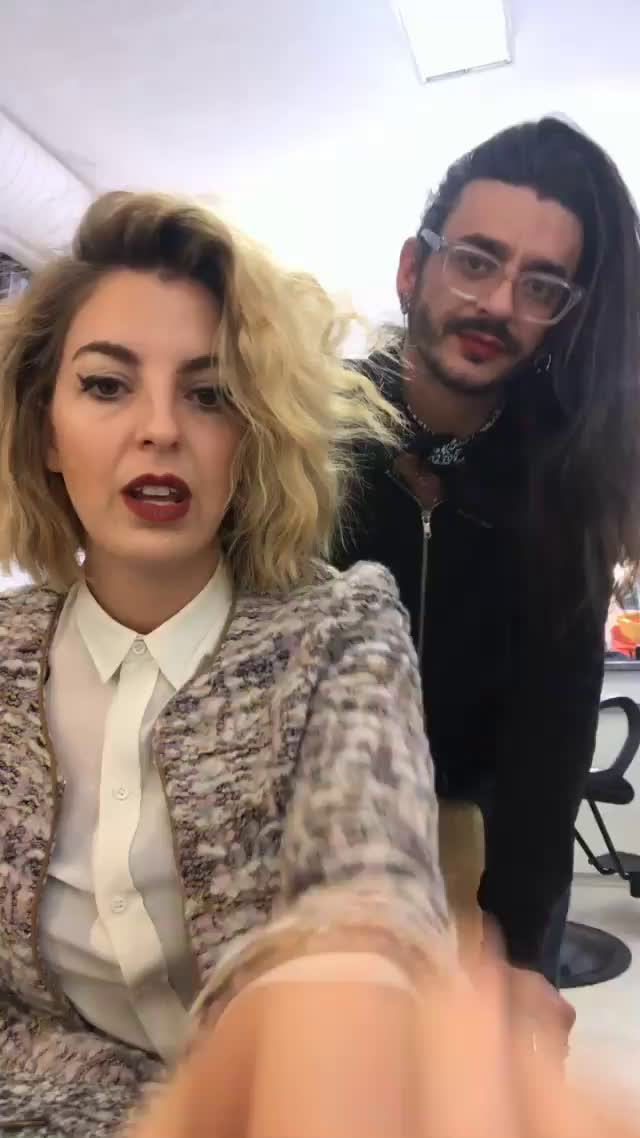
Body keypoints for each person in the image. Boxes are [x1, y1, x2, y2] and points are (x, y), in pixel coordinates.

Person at [0, 190, 449, 1137]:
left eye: (209, 395)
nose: (161, 429)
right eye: (107, 385)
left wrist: (349, 1016)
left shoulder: (340, 630)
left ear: (253, 434)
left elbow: (372, 898)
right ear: (45, 430)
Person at [335, 118, 640, 999]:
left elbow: (551, 749)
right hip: (300, 868)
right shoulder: (302, 442)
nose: (499, 303)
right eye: (475, 260)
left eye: (540, 285)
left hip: (475, 865)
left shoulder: (561, 489)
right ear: (412, 269)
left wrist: (521, 966)